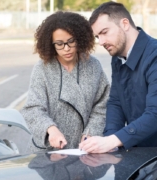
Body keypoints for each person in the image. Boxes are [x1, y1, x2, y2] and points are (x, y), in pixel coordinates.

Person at [21, 11, 110, 153]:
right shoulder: (42, 68)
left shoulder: (93, 65)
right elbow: (33, 108)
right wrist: (50, 129)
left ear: (80, 38)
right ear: (50, 44)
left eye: (71, 41)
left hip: (83, 149)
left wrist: (91, 132)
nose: (66, 48)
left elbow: (102, 105)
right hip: (48, 151)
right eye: (59, 44)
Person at [79, 1, 157, 153]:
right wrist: (109, 142)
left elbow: (155, 114)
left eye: (104, 32)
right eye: (97, 36)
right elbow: (116, 101)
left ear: (125, 24)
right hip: (137, 152)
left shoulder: (154, 55)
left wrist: (112, 140)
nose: (101, 42)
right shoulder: (118, 57)